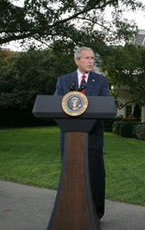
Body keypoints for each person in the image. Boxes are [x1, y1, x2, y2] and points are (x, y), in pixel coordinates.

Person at [54, 47, 109, 219]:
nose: (91, 61)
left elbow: (105, 105)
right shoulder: (64, 81)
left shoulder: (101, 81)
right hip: (70, 136)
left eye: (92, 58)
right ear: (77, 60)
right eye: (86, 58)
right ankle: (70, 211)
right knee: (70, 173)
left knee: (95, 173)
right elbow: (56, 105)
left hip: (93, 135)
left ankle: (95, 213)